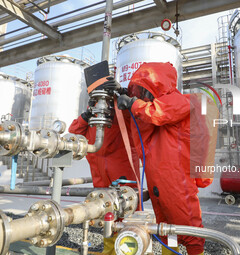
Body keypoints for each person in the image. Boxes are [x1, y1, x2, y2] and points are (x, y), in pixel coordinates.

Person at [117, 62, 205, 255]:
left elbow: (158, 113)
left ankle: (195, 252)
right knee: (165, 225)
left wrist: (133, 103)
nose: (142, 94)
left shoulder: (179, 100)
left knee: (188, 225)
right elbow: (142, 123)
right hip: (159, 177)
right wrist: (128, 98)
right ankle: (170, 252)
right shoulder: (148, 107)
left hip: (176, 176)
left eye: (143, 89)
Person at [69, 83, 140, 254]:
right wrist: (86, 115)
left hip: (123, 175)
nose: (101, 104)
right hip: (100, 177)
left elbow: (138, 116)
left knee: (127, 218)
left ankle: (128, 249)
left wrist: (124, 94)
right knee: (106, 217)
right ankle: (109, 250)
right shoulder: (92, 120)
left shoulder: (122, 116)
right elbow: (74, 130)